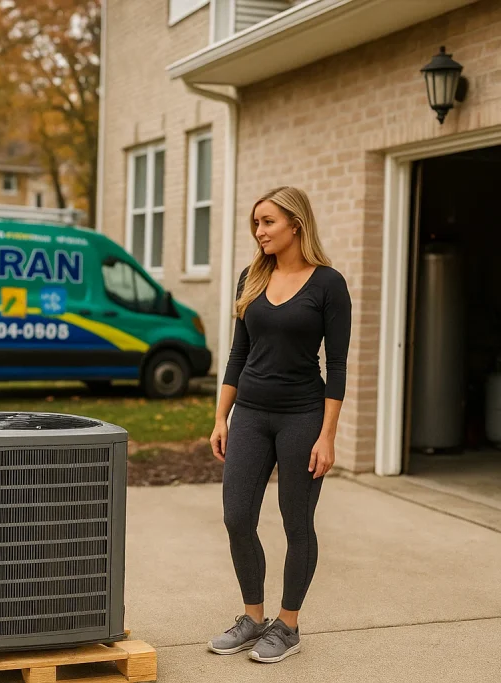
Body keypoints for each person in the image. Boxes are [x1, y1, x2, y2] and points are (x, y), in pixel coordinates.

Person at [207, 187, 351, 664]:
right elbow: (237, 353)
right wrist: (220, 416)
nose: (259, 231)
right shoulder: (251, 277)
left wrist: (327, 435)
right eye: (256, 223)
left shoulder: (328, 284)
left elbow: (339, 365)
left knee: (296, 522)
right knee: (237, 517)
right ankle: (253, 618)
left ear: (295, 224)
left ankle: (287, 625)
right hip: (250, 413)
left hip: (303, 417)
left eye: (267, 222)